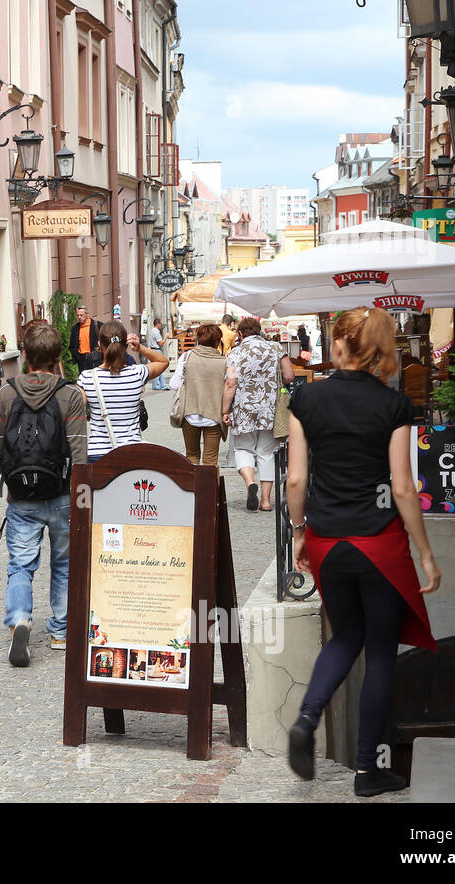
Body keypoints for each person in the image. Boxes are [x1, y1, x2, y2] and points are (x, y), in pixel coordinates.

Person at [285, 307, 441, 797]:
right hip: (379, 544)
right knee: (379, 652)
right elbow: (401, 486)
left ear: (338, 346)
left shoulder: (305, 398)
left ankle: (307, 718)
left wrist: (298, 533)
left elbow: (295, 479)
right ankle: (367, 770)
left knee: (343, 637)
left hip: (329, 541)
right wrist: (425, 553)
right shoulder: (393, 406)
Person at [0, 322, 88, 667]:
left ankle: (19, 618)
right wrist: (80, 496)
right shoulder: (71, 394)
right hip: (62, 495)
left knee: (20, 564)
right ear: (58, 356)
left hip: (22, 497)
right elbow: (79, 452)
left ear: (26, 355)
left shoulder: (6, 393)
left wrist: (12, 480)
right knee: (64, 564)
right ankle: (61, 631)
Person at [222, 316, 294, 511]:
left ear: (240, 334)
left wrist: (225, 410)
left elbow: (230, 383)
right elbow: (289, 376)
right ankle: (265, 501)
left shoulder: (235, 353)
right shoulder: (276, 348)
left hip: (244, 409)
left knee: (243, 449)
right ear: (259, 331)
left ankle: (249, 483)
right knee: (266, 453)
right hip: (270, 408)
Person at [77, 322, 169, 463]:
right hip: (131, 452)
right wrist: (140, 348)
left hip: (97, 454)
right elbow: (163, 362)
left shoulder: (87, 377)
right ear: (125, 345)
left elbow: (75, 408)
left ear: (99, 345)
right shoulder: (137, 373)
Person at [169, 323, 228, 466]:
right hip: (214, 416)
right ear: (217, 342)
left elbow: (174, 384)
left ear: (199, 339)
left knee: (192, 456)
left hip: (189, 414)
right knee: (210, 461)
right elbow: (228, 390)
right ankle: (208, 489)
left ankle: (192, 488)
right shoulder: (225, 362)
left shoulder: (187, 356)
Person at [68, 305, 103, 375]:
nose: (79, 317)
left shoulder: (98, 325)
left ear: (87, 314)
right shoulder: (75, 328)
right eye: (77, 315)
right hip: (81, 359)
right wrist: (77, 357)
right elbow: (72, 345)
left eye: (81, 315)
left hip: (95, 358)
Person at [146, 318, 170, 391]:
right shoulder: (156, 332)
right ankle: (158, 385)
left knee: (156, 368)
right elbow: (160, 343)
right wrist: (165, 337)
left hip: (152, 350)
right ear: (158, 324)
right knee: (159, 368)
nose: (161, 325)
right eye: (160, 324)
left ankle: (160, 385)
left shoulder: (151, 331)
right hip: (157, 350)